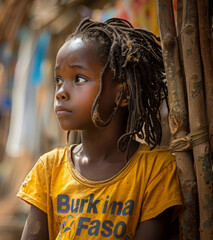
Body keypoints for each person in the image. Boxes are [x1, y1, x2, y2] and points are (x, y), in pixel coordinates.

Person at [17, 18, 182, 240]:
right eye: (58, 79)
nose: (60, 92)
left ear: (122, 94)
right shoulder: (49, 169)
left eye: (79, 78)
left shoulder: (155, 172)